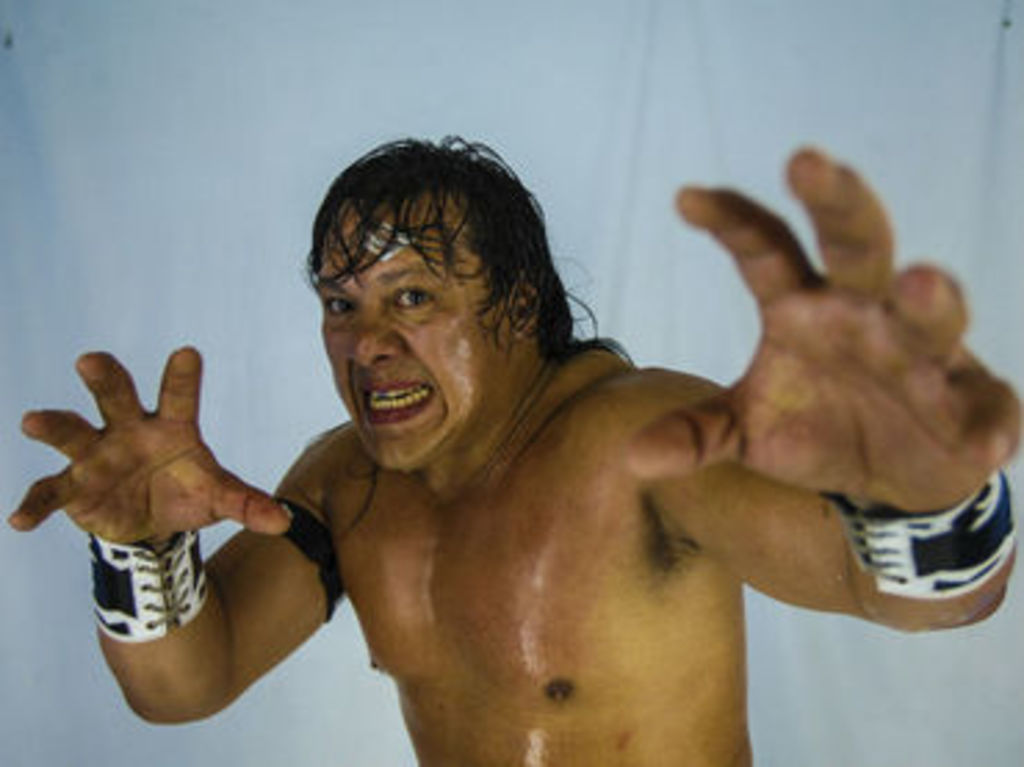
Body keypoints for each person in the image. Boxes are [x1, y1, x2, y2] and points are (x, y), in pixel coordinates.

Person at [9, 137, 1019, 766]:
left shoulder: (637, 437)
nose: (367, 344)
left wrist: (922, 490)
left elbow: (922, 596)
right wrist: (139, 551)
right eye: (341, 305)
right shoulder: (346, 484)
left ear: (519, 304)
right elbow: (184, 686)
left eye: (413, 296)